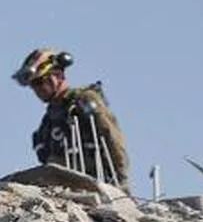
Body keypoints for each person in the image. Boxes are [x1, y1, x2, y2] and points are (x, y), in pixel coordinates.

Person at [12, 48, 131, 191]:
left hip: (95, 184)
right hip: (64, 189)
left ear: (58, 75)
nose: (37, 90)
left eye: (40, 82)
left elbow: (112, 138)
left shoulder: (83, 101)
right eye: (33, 85)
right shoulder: (48, 121)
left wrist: (122, 184)